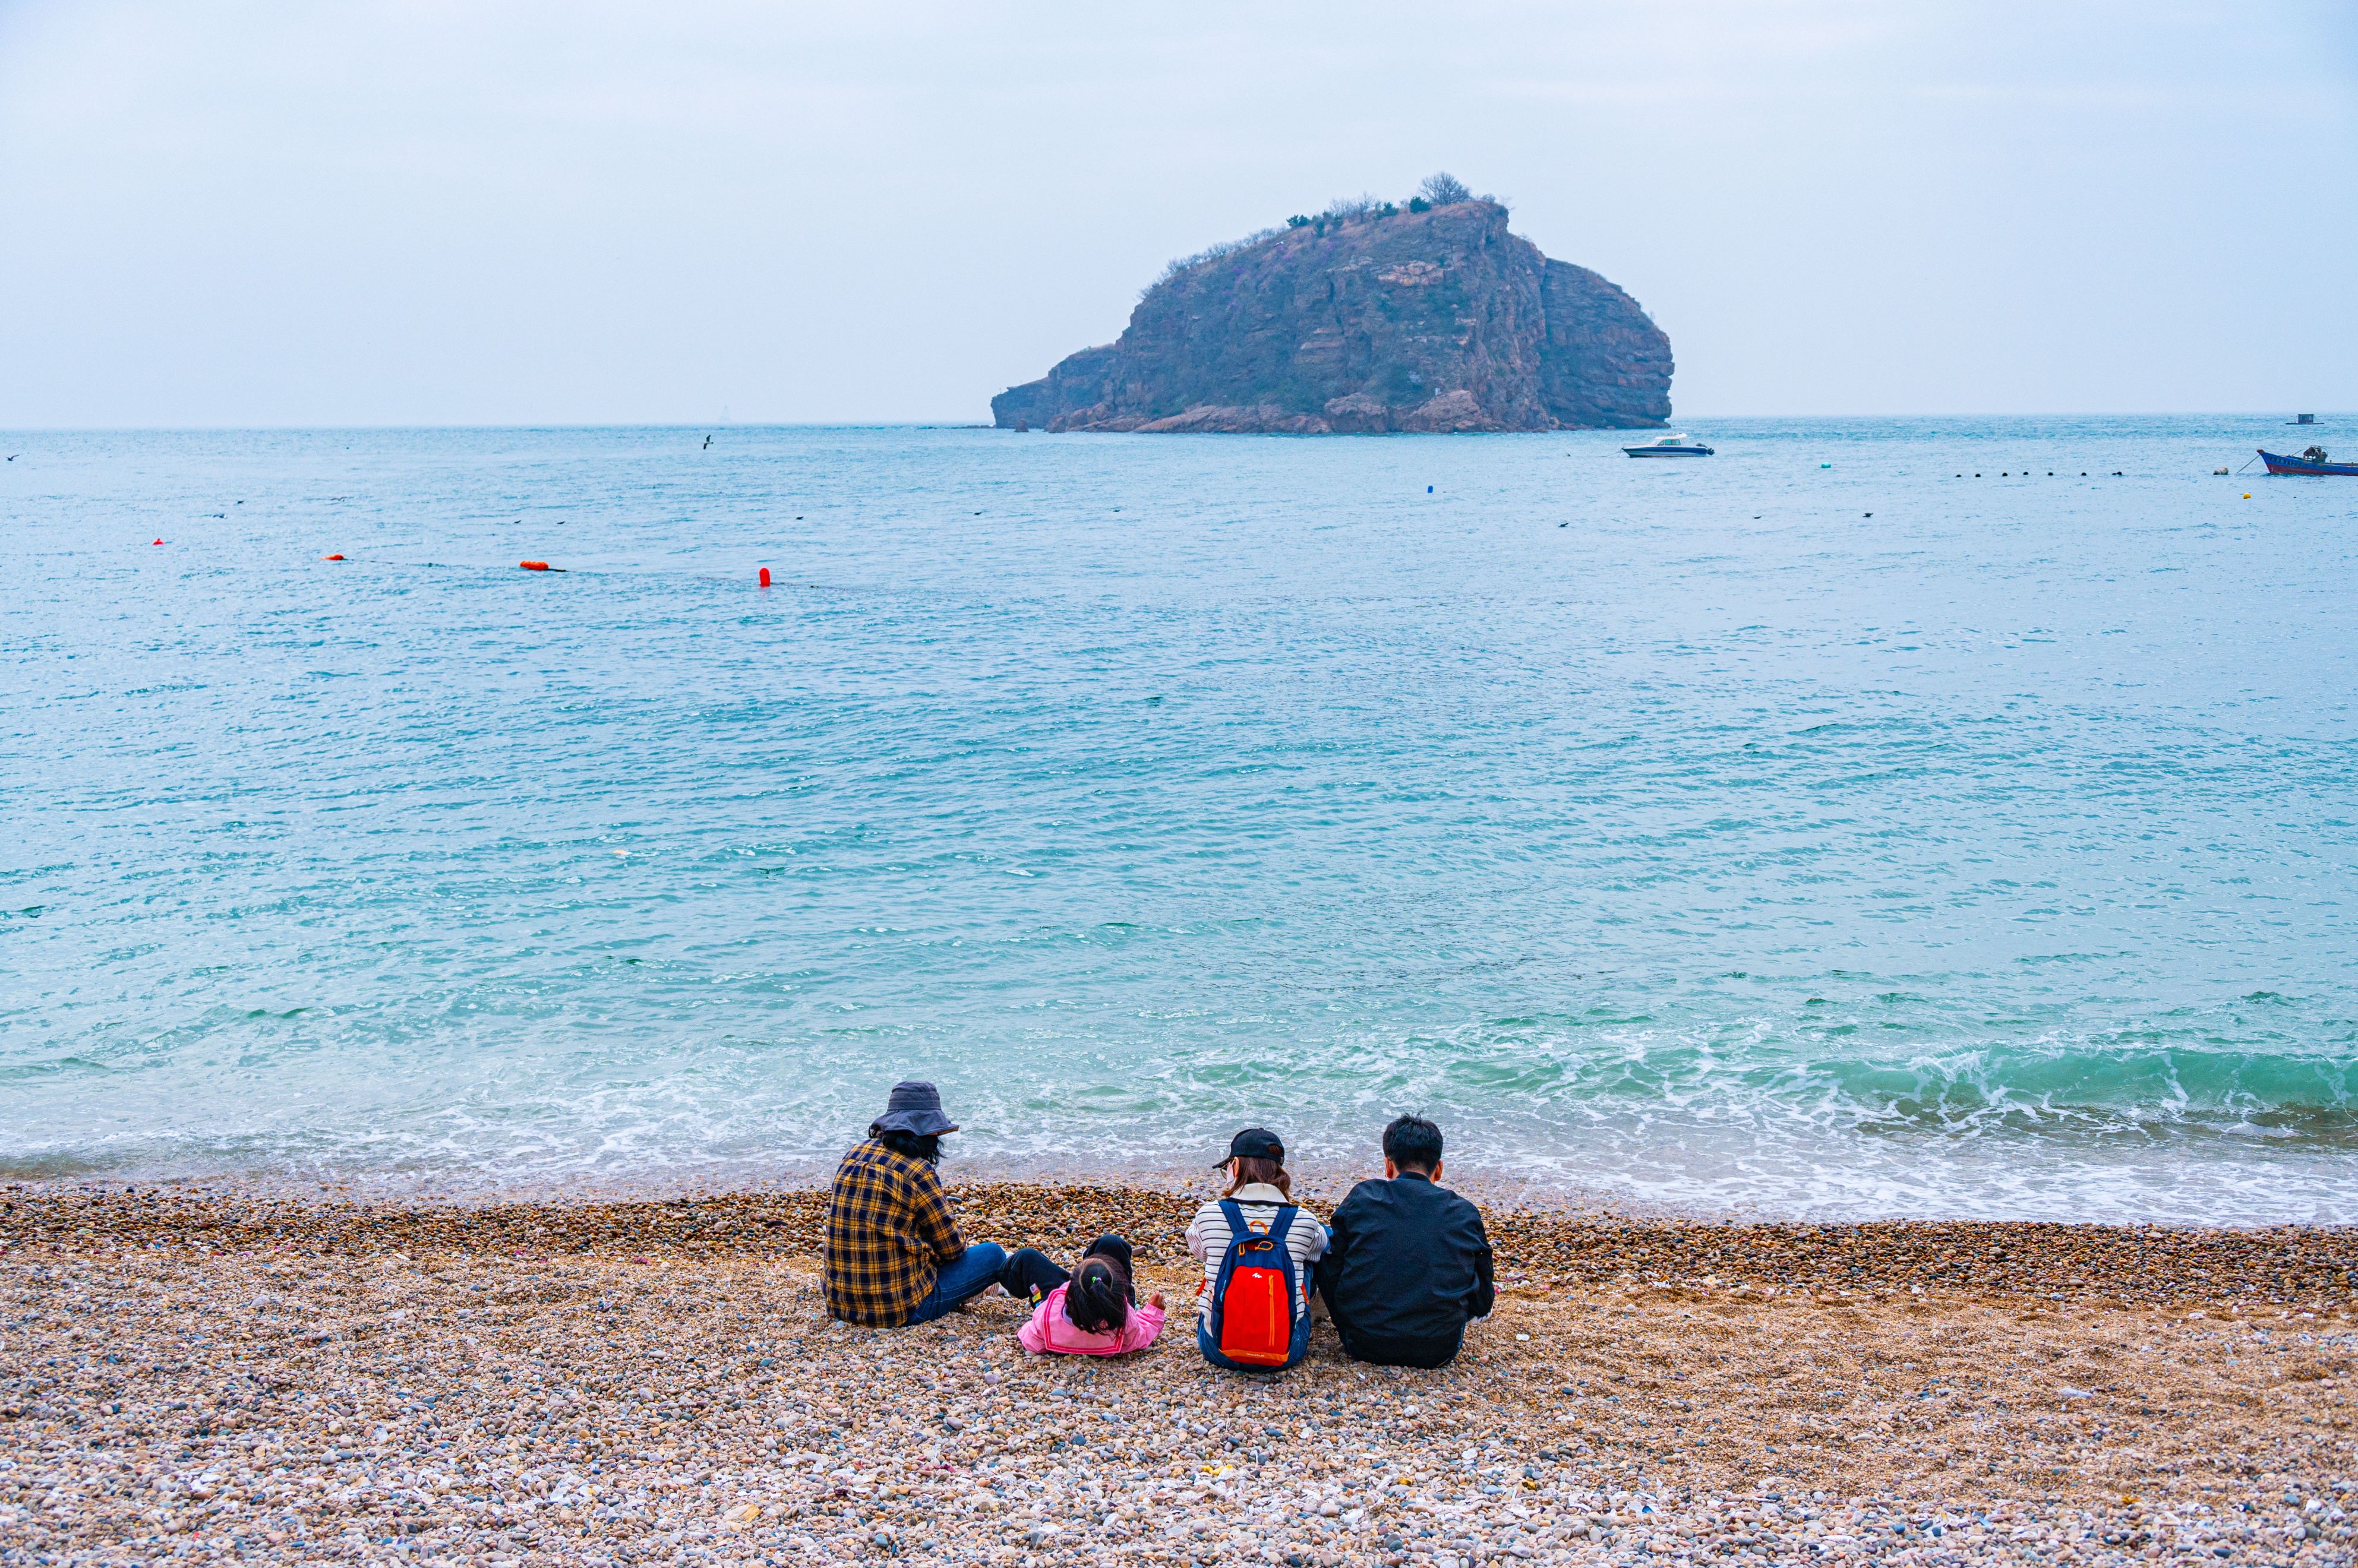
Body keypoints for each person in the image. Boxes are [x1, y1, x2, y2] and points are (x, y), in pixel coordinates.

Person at [1313, 1114, 1493, 1368]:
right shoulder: (1463, 1212)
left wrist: (1344, 1318)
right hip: (1439, 1350)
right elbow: (1483, 1300)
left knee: (1327, 1239)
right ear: (1439, 1169)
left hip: (1364, 1343)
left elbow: (1330, 1270)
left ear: (1389, 1165)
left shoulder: (1363, 1198)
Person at [823, 1080, 1006, 1326]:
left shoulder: (853, 1155)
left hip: (839, 1303)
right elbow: (953, 1249)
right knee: (993, 1255)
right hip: (901, 1309)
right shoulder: (917, 1171)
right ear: (931, 1132)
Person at [1186, 1128, 1327, 1372]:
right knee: (1308, 1255)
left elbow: (1200, 1252)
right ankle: (1306, 1312)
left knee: (1216, 1260)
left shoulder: (1208, 1214)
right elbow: (1321, 1249)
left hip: (1218, 1348)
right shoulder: (1304, 1220)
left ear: (1236, 1166)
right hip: (1286, 1350)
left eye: (1226, 1168)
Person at [1001, 1235, 1168, 1355]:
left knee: (1027, 1258)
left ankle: (1004, 1281)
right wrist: (1153, 1312)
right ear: (1119, 1292)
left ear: (1068, 1292)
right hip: (1103, 1300)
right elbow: (1142, 1335)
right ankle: (1092, 1263)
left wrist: (1024, 1329)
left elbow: (1031, 1339)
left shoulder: (1048, 1317)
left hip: (1069, 1304)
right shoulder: (1124, 1321)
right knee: (1112, 1244)